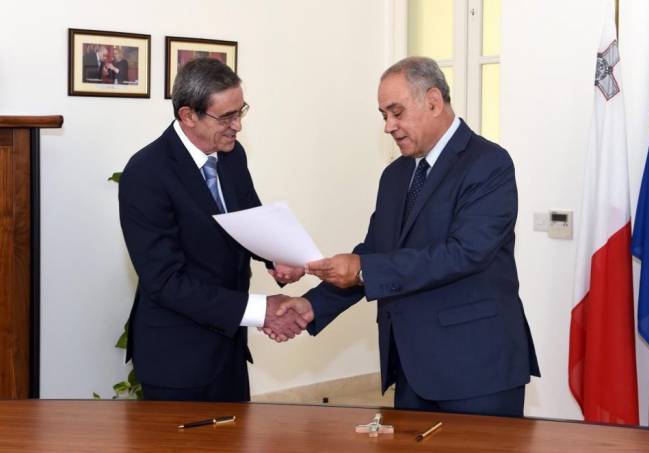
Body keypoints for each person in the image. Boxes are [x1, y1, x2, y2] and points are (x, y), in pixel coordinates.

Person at [275, 56, 540, 416]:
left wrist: (362, 268)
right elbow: (375, 253)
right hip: (411, 368)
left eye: (396, 112)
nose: (388, 126)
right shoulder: (395, 175)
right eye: (383, 115)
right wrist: (312, 305)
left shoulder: (488, 163)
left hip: (477, 369)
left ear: (433, 101)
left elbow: (464, 253)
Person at [118, 57, 309, 402]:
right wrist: (260, 310)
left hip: (229, 348)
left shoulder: (232, 156)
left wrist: (278, 258)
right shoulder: (146, 173)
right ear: (188, 115)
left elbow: (250, 223)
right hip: (176, 358)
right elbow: (165, 281)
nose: (238, 126)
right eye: (227, 117)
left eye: (241, 111)